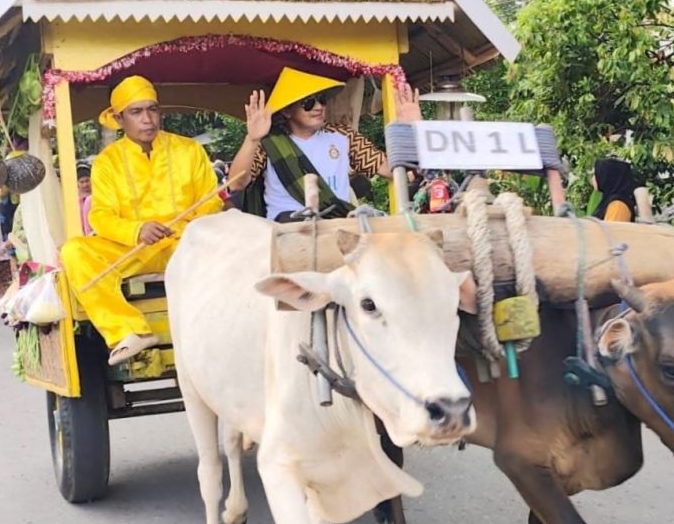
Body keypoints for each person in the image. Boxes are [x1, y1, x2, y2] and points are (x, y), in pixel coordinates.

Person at [61, 76, 223, 365]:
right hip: (135, 249)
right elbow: (101, 215)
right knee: (74, 251)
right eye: (136, 112)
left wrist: (185, 228)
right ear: (120, 118)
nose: (148, 119)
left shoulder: (189, 150)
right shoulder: (107, 161)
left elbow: (211, 200)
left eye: (152, 110)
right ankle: (129, 330)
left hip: (187, 245)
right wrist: (137, 230)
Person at [229, 67, 420, 221]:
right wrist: (252, 138)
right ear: (287, 111)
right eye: (308, 103)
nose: (319, 107)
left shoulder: (343, 135)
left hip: (339, 225)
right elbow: (236, 183)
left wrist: (412, 128)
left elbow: (393, 170)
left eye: (322, 100)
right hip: (287, 230)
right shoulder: (269, 143)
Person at [591, 157, 636, 222]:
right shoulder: (609, 201)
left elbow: (610, 231)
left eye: (595, 174)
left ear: (607, 177)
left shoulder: (618, 205)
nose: (593, 178)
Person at [76, 162, 93, 235]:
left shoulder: (97, 196)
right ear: (77, 183)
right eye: (82, 182)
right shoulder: (76, 201)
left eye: (87, 180)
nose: (85, 184)